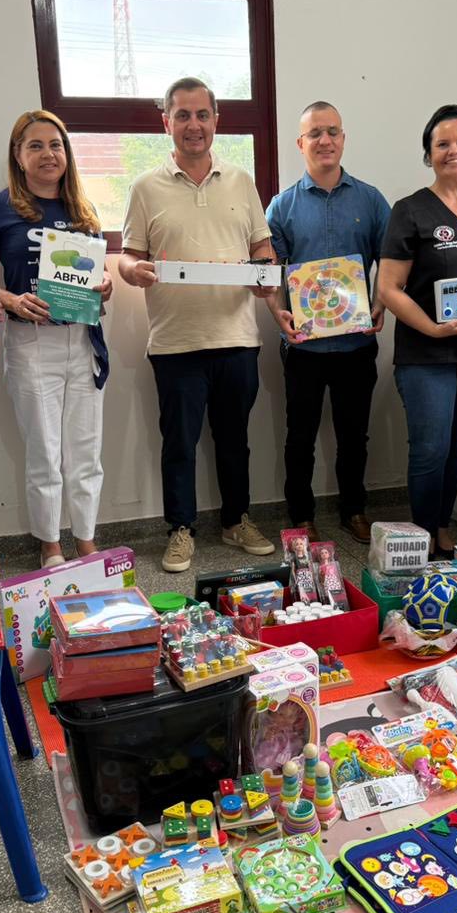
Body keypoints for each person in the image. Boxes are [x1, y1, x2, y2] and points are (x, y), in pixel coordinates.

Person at [118, 77, 278, 573]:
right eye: (182, 115)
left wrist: (265, 272)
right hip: (175, 343)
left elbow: (260, 247)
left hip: (237, 337)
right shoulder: (145, 187)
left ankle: (236, 520)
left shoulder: (241, 181)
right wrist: (132, 271)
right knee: (179, 444)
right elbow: (128, 258)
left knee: (235, 439)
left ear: (216, 120)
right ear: (165, 121)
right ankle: (180, 529)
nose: (193, 125)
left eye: (202, 115)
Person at [0, 110, 112, 568]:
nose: (48, 154)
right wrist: (10, 300)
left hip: (83, 339)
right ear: (18, 155)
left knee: (87, 451)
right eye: (35, 145)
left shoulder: (82, 210)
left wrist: (104, 284)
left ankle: (87, 541)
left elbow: (94, 271)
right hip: (30, 342)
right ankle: (50, 544)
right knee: (45, 450)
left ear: (67, 154)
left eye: (56, 144)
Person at [377, 104, 457, 559]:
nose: (454, 150)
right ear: (429, 154)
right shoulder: (410, 211)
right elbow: (389, 288)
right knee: (429, 449)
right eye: (443, 144)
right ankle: (421, 536)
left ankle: (441, 526)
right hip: (426, 353)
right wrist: (433, 329)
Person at [265, 101, 391, 545]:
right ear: (301, 144)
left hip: (357, 344)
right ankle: (301, 517)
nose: (324, 141)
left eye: (332, 131)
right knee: (299, 437)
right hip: (304, 346)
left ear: (343, 139)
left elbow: (392, 263)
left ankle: (353, 510)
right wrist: (276, 313)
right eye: (315, 133)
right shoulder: (281, 206)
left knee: (355, 435)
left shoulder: (372, 200)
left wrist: (381, 302)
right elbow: (270, 273)